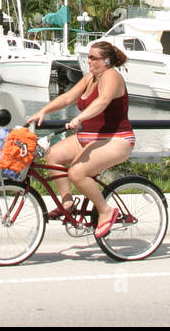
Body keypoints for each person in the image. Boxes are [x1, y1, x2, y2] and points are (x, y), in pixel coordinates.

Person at [25, 39, 133, 239]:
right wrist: (43, 111)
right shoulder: (90, 78)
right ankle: (68, 204)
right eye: (88, 57)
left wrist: (80, 117)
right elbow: (68, 98)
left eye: (93, 58)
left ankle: (105, 210)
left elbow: (102, 102)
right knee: (53, 155)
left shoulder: (111, 76)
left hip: (115, 140)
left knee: (76, 173)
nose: (89, 61)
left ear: (107, 61)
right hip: (88, 138)